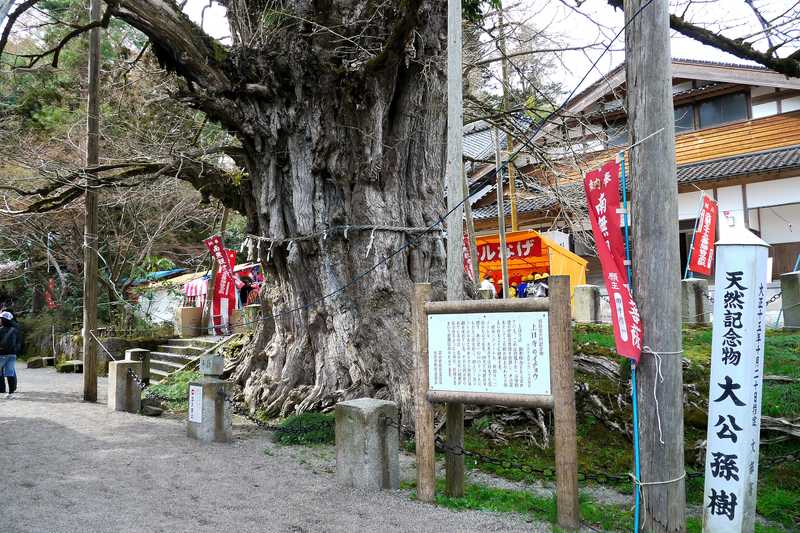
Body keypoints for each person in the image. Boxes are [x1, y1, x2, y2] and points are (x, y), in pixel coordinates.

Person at [0, 311, 20, 398]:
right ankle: (11, 393)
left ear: (3, 320)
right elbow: (19, 342)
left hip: (1, 354)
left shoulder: (0, 330)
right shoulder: (15, 330)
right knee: (10, 373)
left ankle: (1, 390)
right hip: (12, 355)